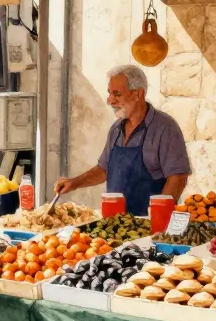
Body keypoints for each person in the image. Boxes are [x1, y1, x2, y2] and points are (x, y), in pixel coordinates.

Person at [54, 65, 191, 214]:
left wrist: (159, 216)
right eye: (110, 94)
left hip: (149, 222)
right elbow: (104, 170)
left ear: (138, 94)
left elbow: (178, 178)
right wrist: (74, 183)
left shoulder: (165, 128)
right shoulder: (116, 129)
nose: (110, 100)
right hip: (115, 222)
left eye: (117, 94)